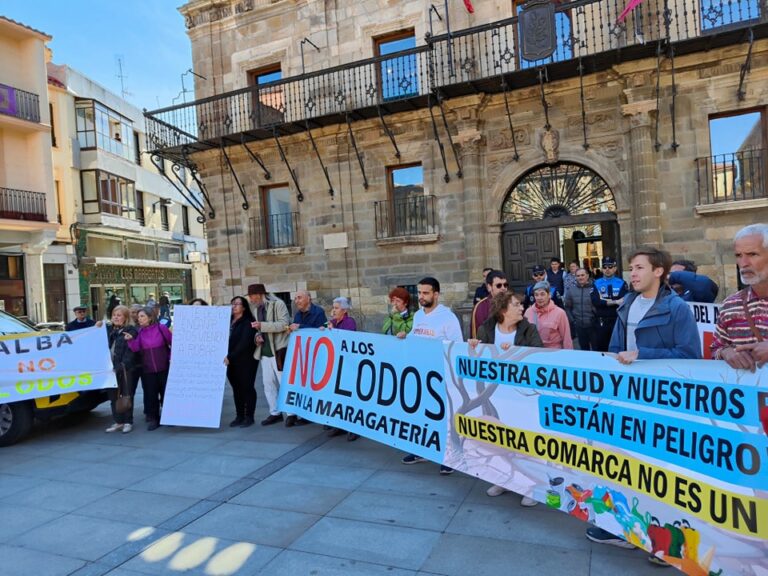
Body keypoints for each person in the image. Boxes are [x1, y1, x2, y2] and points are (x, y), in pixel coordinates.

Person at [587, 247, 700, 563]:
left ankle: (665, 542)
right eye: (631, 269)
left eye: (638, 268)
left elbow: (691, 357)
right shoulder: (628, 303)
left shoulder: (677, 309)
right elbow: (615, 348)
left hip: (662, 404)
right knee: (628, 463)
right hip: (627, 398)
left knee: (660, 471)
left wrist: (644, 356)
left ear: (658, 271)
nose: (631, 274)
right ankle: (627, 528)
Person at [470, 291, 543, 505]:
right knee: (499, 438)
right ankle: (503, 479)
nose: (522, 308)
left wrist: (516, 351)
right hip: (496, 396)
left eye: (521, 305)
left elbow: (539, 355)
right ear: (503, 310)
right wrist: (473, 347)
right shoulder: (486, 329)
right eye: (516, 305)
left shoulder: (529, 329)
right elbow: (475, 361)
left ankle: (531, 487)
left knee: (524, 441)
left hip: (522, 396)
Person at [402, 277, 462, 474]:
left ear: (436, 294)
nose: (421, 296)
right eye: (419, 293)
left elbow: (456, 346)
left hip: (441, 376)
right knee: (422, 414)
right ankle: (421, 450)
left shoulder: (447, 317)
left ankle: (449, 458)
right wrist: (405, 336)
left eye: (426, 293)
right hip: (421, 375)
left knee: (444, 418)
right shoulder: (418, 315)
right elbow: (415, 338)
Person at [712, 223, 768, 372]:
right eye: (738, 255)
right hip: (747, 393)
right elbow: (716, 348)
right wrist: (726, 353)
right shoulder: (730, 304)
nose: (743, 263)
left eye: (752, 254)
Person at [248, 284, 293, 426]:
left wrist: (262, 326)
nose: (250, 299)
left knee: (284, 382)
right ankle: (275, 412)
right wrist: (257, 336)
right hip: (265, 351)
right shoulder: (257, 309)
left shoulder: (278, 304)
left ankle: (291, 413)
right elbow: (259, 330)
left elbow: (284, 324)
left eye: (252, 296)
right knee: (268, 383)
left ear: (259, 294)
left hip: (279, 349)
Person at [124, 306, 172, 431]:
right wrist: (130, 340)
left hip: (164, 367)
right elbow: (136, 348)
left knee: (166, 393)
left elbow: (173, 342)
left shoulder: (162, 329)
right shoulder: (140, 332)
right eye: (138, 317)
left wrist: (171, 357)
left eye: (142, 316)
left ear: (150, 318)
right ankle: (154, 419)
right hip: (148, 369)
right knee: (151, 395)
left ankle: (169, 416)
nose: (139, 319)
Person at [327, 296, 359, 441]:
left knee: (349, 397)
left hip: (348, 365)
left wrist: (333, 331)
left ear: (344, 310)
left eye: (336, 308)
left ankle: (354, 427)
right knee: (337, 396)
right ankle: (339, 424)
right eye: (333, 307)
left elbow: (347, 340)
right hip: (335, 364)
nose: (333, 311)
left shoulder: (349, 322)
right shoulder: (332, 322)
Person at [224, 296, 258, 427]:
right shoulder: (228, 321)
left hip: (245, 360)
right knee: (236, 389)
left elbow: (244, 343)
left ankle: (249, 416)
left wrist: (230, 356)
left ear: (243, 307)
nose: (234, 306)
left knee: (247, 387)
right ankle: (239, 415)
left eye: (237, 304)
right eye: (232, 304)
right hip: (230, 361)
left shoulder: (248, 322)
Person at [104, 305, 138, 434]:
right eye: (114, 315)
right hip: (110, 370)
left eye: (119, 315)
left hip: (125, 369)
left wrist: (122, 365)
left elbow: (131, 351)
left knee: (126, 395)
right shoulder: (110, 330)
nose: (116, 317)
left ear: (125, 318)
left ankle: (128, 422)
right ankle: (118, 421)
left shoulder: (130, 330)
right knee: (113, 396)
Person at [591, 256, 628, 352]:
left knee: (617, 348)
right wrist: (615, 301)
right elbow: (596, 302)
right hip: (601, 321)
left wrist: (605, 302)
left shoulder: (621, 283)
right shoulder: (596, 283)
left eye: (610, 266)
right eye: (604, 267)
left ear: (615, 268)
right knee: (601, 349)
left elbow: (624, 300)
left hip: (617, 319)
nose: (607, 269)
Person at [524, 281, 573, 349]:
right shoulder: (528, 312)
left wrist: (568, 356)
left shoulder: (560, 313)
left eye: (542, 294)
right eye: (536, 295)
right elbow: (523, 334)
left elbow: (566, 338)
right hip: (533, 352)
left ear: (549, 295)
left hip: (553, 353)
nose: (539, 298)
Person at [564, 268, 596, 351]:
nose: (580, 277)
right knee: (583, 350)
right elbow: (567, 307)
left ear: (587, 276)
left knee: (596, 350)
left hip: (593, 325)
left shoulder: (595, 289)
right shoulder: (571, 290)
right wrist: (573, 321)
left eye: (582, 275)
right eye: (578, 276)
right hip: (579, 326)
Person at [470, 270, 508, 338]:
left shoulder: (513, 303)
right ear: (489, 287)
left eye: (505, 285)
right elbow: (477, 336)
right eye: (499, 285)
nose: (503, 288)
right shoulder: (481, 307)